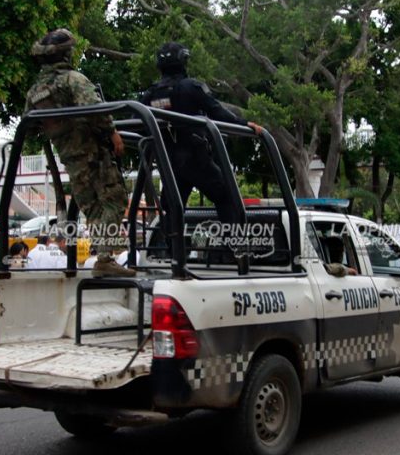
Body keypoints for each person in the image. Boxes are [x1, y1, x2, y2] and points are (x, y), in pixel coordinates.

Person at [24, 28, 134, 278]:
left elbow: (28, 125)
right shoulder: (73, 79)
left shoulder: (35, 92)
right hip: (93, 152)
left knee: (92, 208)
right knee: (115, 201)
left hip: (70, 158)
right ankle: (105, 258)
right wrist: (113, 132)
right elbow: (95, 109)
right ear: (66, 55)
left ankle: (103, 255)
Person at [140, 41, 265, 231]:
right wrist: (244, 124)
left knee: (173, 207)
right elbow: (217, 112)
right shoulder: (191, 87)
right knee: (227, 197)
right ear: (183, 60)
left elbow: (137, 123)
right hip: (196, 159)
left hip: (169, 162)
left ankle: (170, 251)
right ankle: (234, 248)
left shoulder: (151, 94)